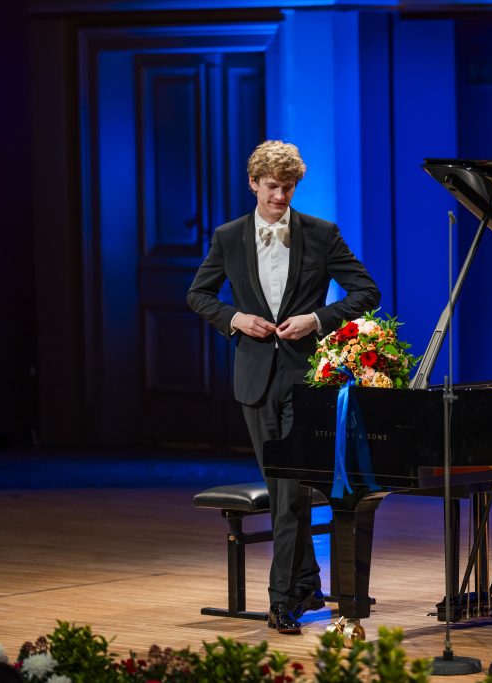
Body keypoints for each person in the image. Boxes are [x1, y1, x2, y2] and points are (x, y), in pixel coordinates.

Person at [187, 140, 380, 633]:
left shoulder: (319, 233)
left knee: (291, 488)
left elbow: (366, 291)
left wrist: (317, 319)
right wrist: (235, 319)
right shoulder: (229, 237)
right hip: (254, 381)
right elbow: (198, 295)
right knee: (282, 488)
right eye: (272, 186)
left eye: (288, 187)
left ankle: (281, 602)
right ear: (253, 183)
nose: (280, 196)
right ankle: (307, 585)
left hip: (305, 380)